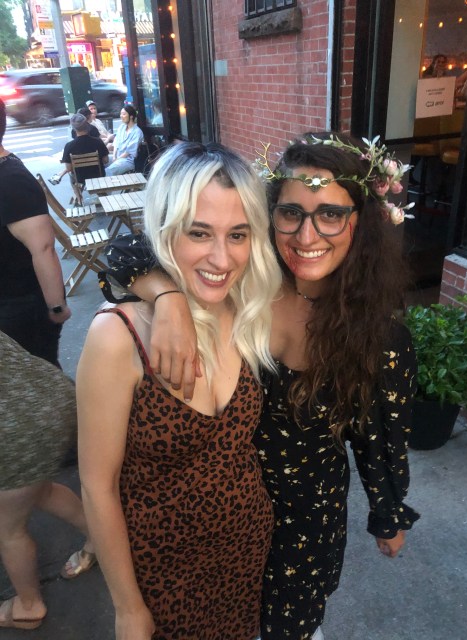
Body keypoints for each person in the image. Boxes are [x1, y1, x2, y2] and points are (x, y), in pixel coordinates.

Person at [99, 132, 420, 640]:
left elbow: (381, 437)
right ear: (270, 217)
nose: (307, 235)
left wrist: (389, 512)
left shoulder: (380, 338)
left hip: (305, 525)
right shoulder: (246, 285)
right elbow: (127, 248)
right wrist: (167, 297)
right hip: (220, 523)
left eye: (330, 214)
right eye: (291, 213)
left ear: (359, 224)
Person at [77, 142, 282, 639]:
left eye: (238, 234)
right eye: (198, 233)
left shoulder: (251, 308)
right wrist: (127, 608)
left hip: (249, 555)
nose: (221, 256)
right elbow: (97, 488)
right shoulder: (117, 337)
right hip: (160, 578)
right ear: (166, 231)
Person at [0, 330, 96, 631]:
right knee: (41, 490)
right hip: (51, 395)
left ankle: (29, 606)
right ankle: (100, 539)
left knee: (9, 529)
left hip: (16, 431)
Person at [0, 98, 70, 366]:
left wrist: (56, 306)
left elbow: (43, 248)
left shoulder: (12, 181)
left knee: (42, 382)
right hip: (12, 305)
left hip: (21, 309)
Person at [105, 104, 143, 176]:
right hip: (117, 157)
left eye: (124, 114)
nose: (121, 116)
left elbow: (129, 151)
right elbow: (116, 143)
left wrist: (117, 159)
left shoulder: (137, 132)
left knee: (108, 171)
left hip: (127, 161)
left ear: (131, 116)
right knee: (101, 163)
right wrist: (114, 157)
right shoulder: (122, 127)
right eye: (120, 114)